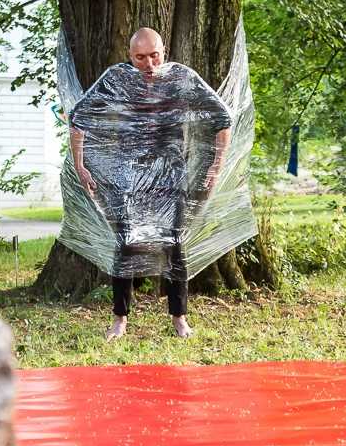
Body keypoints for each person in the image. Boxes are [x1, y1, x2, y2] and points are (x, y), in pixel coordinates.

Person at [68, 28, 231, 340]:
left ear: (164, 50)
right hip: (128, 178)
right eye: (140, 57)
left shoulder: (181, 78)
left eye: (154, 55)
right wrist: (81, 165)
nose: (149, 63)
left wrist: (216, 164)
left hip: (172, 177)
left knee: (173, 246)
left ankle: (180, 319)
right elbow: (78, 118)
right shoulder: (117, 79)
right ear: (130, 57)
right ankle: (119, 320)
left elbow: (222, 118)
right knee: (127, 246)